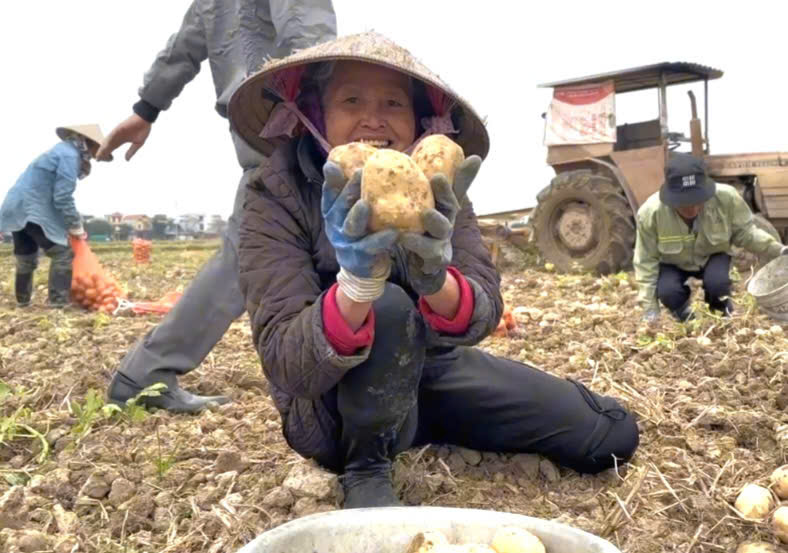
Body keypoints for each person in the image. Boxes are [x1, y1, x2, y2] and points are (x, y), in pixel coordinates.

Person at [230, 32, 640, 509]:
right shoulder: (274, 195)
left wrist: (437, 280)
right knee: (385, 304)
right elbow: (286, 362)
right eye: (351, 100)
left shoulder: (437, 189)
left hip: (431, 371)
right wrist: (357, 285)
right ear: (315, 113)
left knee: (608, 432)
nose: (373, 118)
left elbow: (484, 309)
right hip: (335, 405)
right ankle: (368, 467)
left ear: (420, 120)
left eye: (393, 103)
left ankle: (416, 423)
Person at [99, 0, 337, 413]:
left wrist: (145, 110)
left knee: (269, 248)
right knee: (268, 249)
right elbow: (308, 35)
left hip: (255, 120)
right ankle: (147, 371)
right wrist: (331, 108)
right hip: (295, 115)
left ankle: (334, 368)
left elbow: (183, 48)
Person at [635, 153, 788, 323]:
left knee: (718, 284)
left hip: (713, 255)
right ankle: (685, 318)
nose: (692, 209)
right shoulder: (651, 213)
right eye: (684, 203)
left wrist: (778, 249)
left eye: (697, 200)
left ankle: (721, 315)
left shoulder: (726, 198)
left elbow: (746, 233)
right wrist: (650, 310)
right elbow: (645, 261)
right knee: (668, 292)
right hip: (673, 263)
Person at [0, 125, 104, 308]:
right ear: (90, 142)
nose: (96, 156)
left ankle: (23, 304)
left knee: (26, 258)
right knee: (63, 254)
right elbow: (62, 196)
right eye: (98, 149)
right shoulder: (70, 156)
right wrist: (75, 225)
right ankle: (58, 305)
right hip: (33, 209)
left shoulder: (59, 151)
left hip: (15, 207)